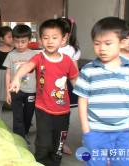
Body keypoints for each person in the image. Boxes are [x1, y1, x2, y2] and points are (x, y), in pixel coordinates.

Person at [9, 19, 79, 166]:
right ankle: (39, 162)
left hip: (63, 110)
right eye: (46, 38)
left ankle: (55, 161)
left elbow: (75, 80)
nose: (50, 41)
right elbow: (26, 66)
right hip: (43, 109)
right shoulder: (39, 58)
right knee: (44, 142)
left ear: (63, 39)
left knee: (58, 142)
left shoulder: (67, 60)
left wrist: (85, 97)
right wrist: (16, 78)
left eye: (55, 38)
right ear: (40, 40)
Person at [73, 17, 129, 166]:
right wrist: (86, 131)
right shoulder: (88, 70)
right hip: (96, 132)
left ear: (121, 43)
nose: (102, 48)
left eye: (108, 44)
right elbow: (82, 100)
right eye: (97, 43)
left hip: (124, 132)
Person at [3, 25, 36, 142]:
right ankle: (19, 137)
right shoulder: (11, 55)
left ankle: (25, 130)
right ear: (13, 40)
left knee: (28, 114)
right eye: (17, 42)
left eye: (23, 41)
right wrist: (8, 92)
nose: (20, 45)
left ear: (29, 40)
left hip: (31, 90)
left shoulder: (34, 55)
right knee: (17, 116)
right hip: (15, 90)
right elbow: (8, 74)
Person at [57, 17, 81, 155]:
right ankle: (51, 143)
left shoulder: (73, 50)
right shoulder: (50, 47)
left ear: (70, 33)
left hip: (67, 86)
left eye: (64, 32)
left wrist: (79, 90)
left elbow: (75, 71)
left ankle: (61, 144)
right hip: (51, 86)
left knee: (65, 117)